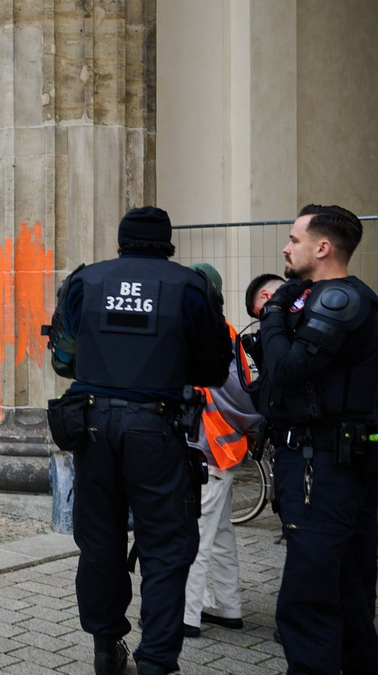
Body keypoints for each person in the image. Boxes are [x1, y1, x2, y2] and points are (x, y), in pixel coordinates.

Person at [46, 206, 232, 675]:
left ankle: (106, 651)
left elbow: (63, 360)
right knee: (167, 547)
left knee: (100, 542)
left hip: (90, 427)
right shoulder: (192, 287)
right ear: (169, 244)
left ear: (120, 243)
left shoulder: (85, 282)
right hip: (156, 427)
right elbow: (214, 368)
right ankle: (157, 662)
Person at [255, 204, 378, 673]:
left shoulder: (339, 299)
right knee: (346, 584)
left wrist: (274, 311)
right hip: (327, 459)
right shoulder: (319, 296)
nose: (286, 248)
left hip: (321, 462)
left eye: (294, 239)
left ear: (323, 247)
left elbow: (287, 368)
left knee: (309, 596)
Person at [182, 263, 266, 639]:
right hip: (224, 452)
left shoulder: (202, 336)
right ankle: (228, 608)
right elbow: (249, 400)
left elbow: (232, 396)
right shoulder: (229, 334)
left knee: (193, 533)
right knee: (218, 533)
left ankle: (185, 616)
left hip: (206, 452)